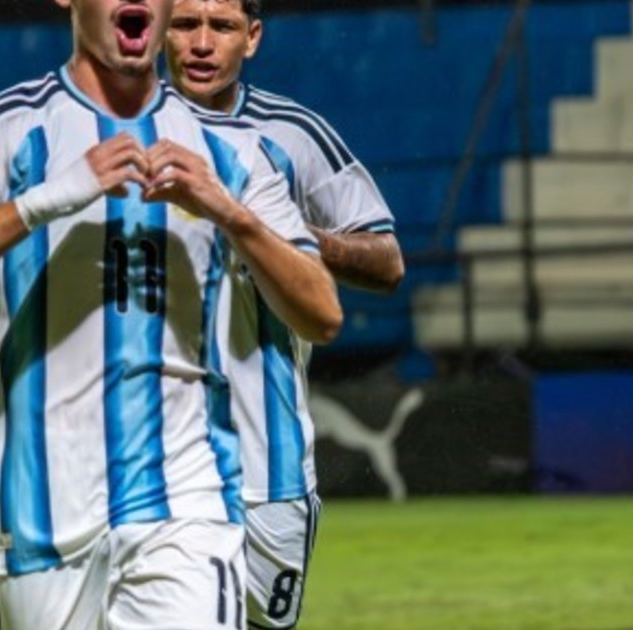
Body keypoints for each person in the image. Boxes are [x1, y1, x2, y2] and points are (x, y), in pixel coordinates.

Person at [0, 0, 342, 627]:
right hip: (37, 506)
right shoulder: (9, 128)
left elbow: (321, 313)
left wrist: (231, 214)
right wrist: (45, 200)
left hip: (187, 496)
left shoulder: (226, 149)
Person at [164, 1, 405, 627]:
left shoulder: (291, 134)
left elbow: (386, 261)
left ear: (252, 38)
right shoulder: (118, 133)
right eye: (185, 24)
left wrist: (288, 234)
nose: (201, 43)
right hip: (150, 462)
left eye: (222, 27)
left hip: (264, 460)